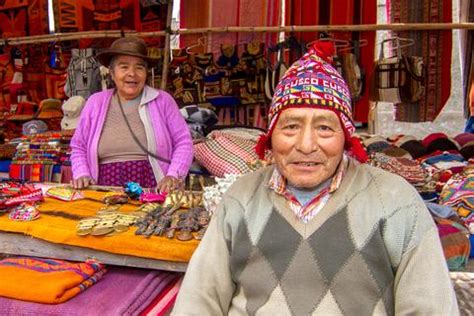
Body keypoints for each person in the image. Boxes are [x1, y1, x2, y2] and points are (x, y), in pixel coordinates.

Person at [172, 42, 459, 315]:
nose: (306, 145)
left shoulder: (396, 202)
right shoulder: (241, 197)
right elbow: (199, 301)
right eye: (291, 127)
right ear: (270, 137)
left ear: (346, 138)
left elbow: (430, 308)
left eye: (324, 128)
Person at [70, 36, 193, 192]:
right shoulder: (95, 102)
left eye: (139, 68)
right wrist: (82, 173)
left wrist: (173, 175)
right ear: (112, 73)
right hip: (105, 183)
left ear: (146, 73)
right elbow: (78, 146)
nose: (132, 74)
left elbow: (183, 142)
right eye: (124, 67)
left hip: (153, 183)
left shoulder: (162, 101)